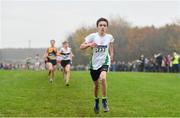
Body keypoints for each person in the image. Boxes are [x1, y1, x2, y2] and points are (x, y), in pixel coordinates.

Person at [80, 17, 114, 113]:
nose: (102, 27)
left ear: (107, 27)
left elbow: (111, 46)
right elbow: (81, 46)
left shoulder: (109, 37)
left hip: (104, 61)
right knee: (96, 85)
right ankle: (96, 101)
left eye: (104, 25)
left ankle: (104, 100)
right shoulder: (92, 36)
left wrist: (111, 55)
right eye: (100, 25)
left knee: (103, 78)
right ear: (97, 27)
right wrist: (89, 45)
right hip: (94, 64)